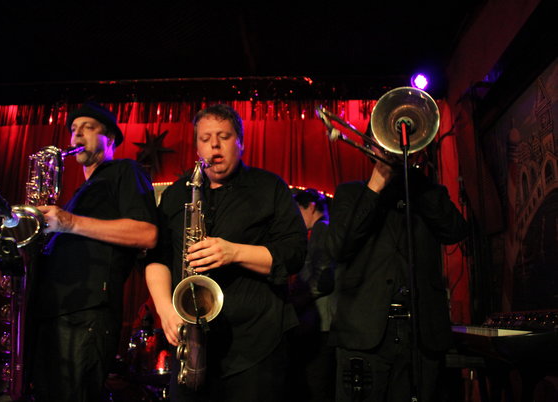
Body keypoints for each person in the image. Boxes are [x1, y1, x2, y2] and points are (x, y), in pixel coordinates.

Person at [145, 104, 307, 402]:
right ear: (197, 146)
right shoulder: (178, 193)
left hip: (256, 343)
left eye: (224, 136)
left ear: (240, 142)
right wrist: (165, 310)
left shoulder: (269, 187)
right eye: (205, 138)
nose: (214, 146)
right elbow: (156, 257)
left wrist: (234, 252)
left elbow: (294, 253)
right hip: (191, 344)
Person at [29, 102, 158, 401]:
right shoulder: (79, 195)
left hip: (86, 314)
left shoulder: (125, 170)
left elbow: (147, 234)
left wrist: (69, 222)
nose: (76, 136)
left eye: (88, 128)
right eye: (74, 129)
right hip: (54, 312)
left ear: (110, 138)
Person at [326, 153, 468, 402]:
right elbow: (339, 248)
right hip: (365, 333)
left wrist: (416, 180)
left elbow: (455, 230)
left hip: (422, 332)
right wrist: (375, 185)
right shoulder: (350, 193)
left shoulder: (427, 192)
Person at [286, 188, 337, 402]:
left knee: (316, 383)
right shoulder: (321, 229)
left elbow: (323, 277)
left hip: (322, 321)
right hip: (321, 319)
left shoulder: (321, 229)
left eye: (299, 210)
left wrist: (297, 302)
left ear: (312, 207)